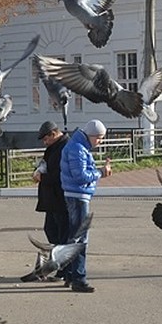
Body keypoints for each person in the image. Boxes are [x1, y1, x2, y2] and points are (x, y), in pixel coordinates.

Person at [59, 119, 113, 293]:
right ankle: (79, 279)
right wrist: (100, 173)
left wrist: (98, 172)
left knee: (74, 237)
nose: (100, 142)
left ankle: (69, 274)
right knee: (80, 239)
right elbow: (80, 176)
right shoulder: (78, 149)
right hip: (78, 196)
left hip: (74, 195)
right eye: (99, 138)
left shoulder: (76, 146)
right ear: (91, 136)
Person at [32, 121, 69, 249]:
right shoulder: (54, 147)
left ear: (53, 134)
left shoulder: (65, 147)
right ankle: (59, 258)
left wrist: (42, 177)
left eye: (46, 139)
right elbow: (46, 164)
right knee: (50, 229)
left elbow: (61, 173)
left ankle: (63, 263)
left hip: (60, 198)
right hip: (52, 200)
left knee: (61, 233)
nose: (45, 143)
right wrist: (38, 171)